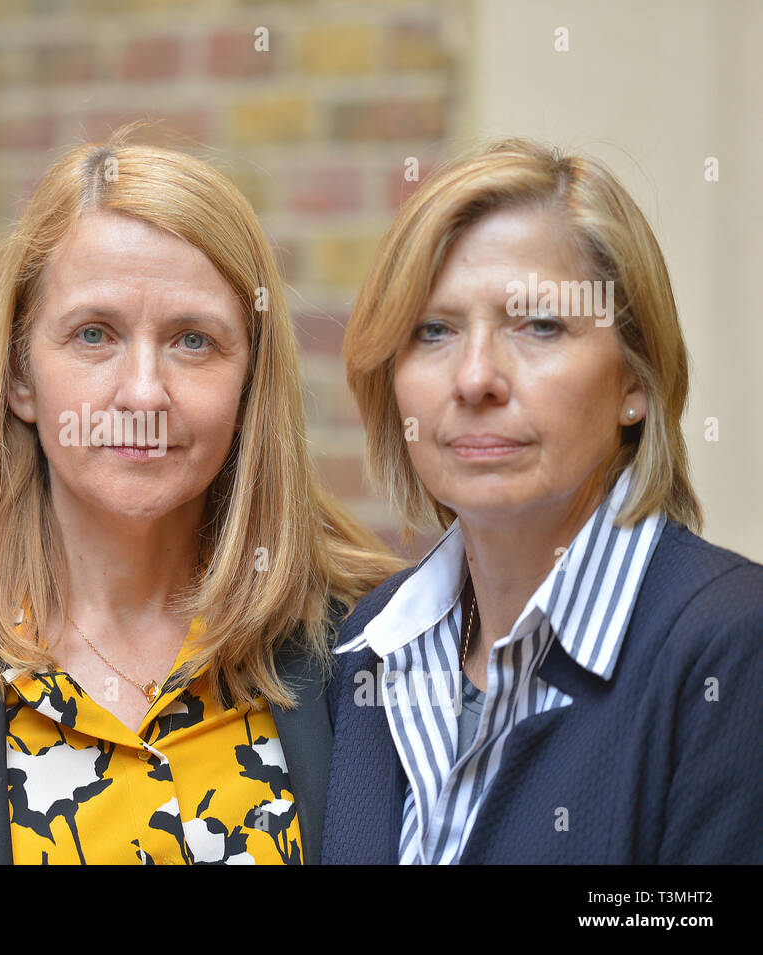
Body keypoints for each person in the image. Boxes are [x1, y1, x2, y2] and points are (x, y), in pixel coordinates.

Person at [0, 131, 402, 864]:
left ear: (250, 386)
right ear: (22, 377)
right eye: (95, 334)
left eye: (193, 341)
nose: (144, 391)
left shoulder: (375, 652)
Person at [321, 139, 763, 864]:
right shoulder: (369, 648)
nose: (475, 378)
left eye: (540, 325)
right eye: (433, 330)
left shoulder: (730, 647)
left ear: (636, 381)